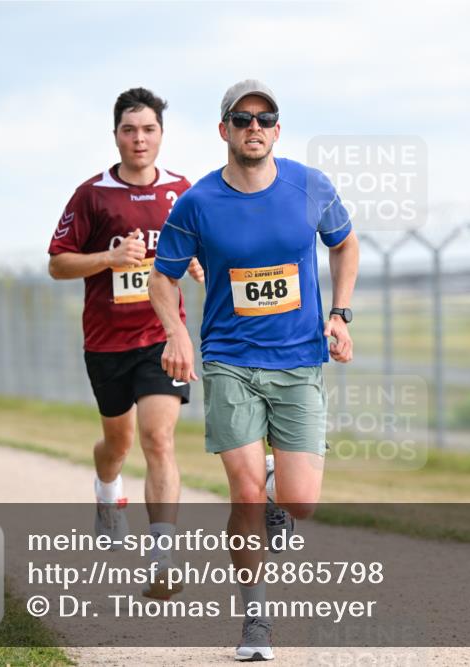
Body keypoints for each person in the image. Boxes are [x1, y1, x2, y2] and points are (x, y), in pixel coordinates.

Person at [150, 79, 359, 662]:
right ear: (225, 130)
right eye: (243, 120)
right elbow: (162, 277)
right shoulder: (197, 202)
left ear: (277, 129)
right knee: (242, 495)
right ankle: (255, 620)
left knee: (300, 504)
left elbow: (345, 245)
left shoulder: (309, 186)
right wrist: (176, 334)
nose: (255, 129)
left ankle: (277, 488)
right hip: (229, 362)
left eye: (266, 119)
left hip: (298, 363)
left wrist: (340, 314)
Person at [48, 87, 202, 600]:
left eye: (149, 129)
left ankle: (162, 560)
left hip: (163, 336)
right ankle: (107, 493)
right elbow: (57, 263)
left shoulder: (184, 190)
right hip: (107, 341)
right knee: (119, 443)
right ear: (115, 135)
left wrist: (199, 262)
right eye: (130, 130)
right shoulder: (92, 194)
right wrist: (107, 260)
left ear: (162, 134)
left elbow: (205, 249)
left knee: (159, 439)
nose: (140, 139)